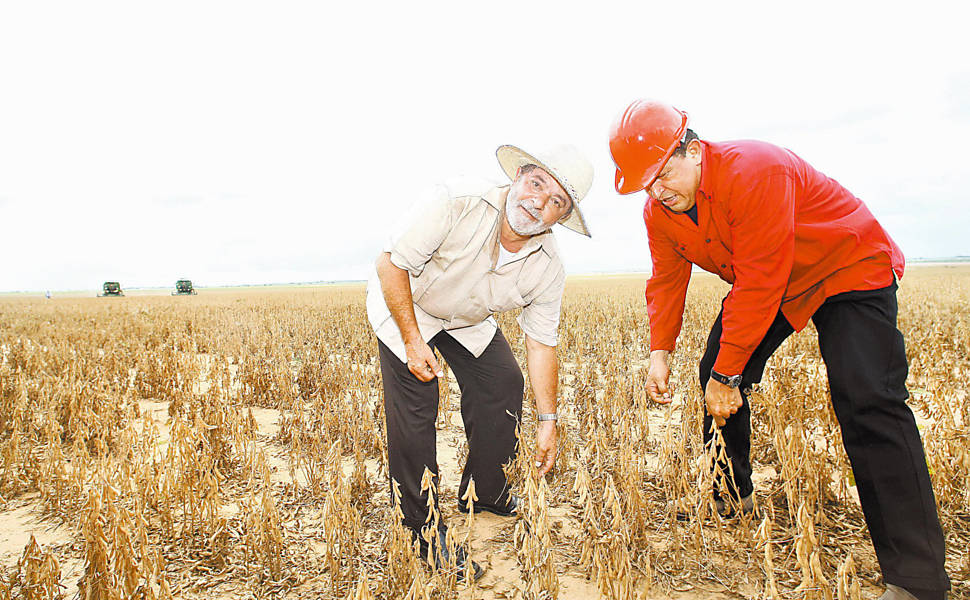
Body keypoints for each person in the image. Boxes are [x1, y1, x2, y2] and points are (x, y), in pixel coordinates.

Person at [609, 100, 949, 600]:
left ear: (695, 150)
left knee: (867, 401)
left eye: (664, 173)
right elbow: (666, 278)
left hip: (846, 265)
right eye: (646, 184)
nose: (658, 190)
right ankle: (732, 493)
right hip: (781, 284)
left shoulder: (755, 170)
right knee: (713, 366)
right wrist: (660, 350)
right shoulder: (660, 212)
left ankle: (917, 580)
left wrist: (729, 378)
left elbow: (760, 283)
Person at [366, 143, 593, 580]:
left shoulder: (547, 266)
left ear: (560, 220)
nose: (538, 202)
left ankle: (484, 492)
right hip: (407, 304)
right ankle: (419, 530)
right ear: (519, 175)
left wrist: (549, 420)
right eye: (536, 183)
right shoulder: (455, 201)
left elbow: (542, 343)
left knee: (503, 382)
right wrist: (414, 342)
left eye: (555, 202)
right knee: (418, 400)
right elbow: (389, 264)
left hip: (466, 316)